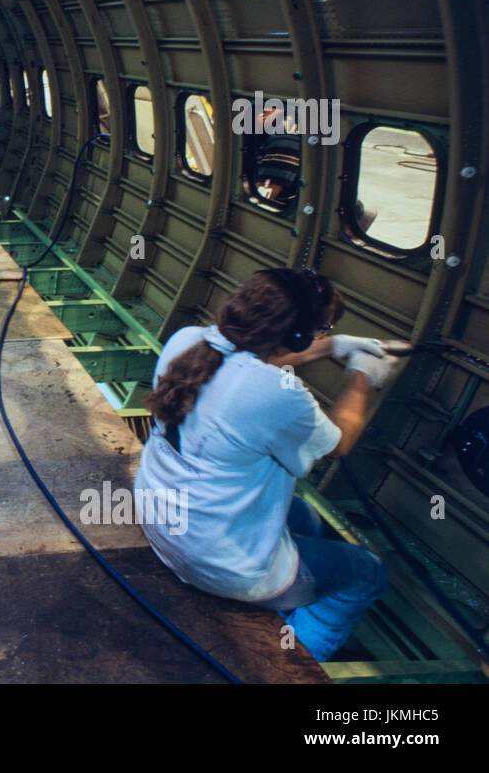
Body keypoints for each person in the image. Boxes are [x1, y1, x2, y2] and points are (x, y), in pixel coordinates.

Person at [134, 268, 400, 661]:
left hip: (163, 527)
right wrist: (361, 375)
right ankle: (292, 660)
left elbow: (248, 364)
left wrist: (330, 347)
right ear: (296, 335)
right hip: (217, 562)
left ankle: (281, 601)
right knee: (367, 573)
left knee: (305, 517)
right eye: (317, 330)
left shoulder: (187, 341)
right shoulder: (281, 394)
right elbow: (338, 443)